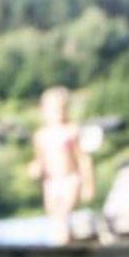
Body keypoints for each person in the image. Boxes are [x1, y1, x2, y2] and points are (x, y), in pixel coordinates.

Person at [28, 86, 95, 241]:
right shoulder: (41, 136)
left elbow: (83, 159)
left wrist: (88, 185)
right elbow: (39, 160)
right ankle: (67, 243)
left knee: (63, 217)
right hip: (51, 182)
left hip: (70, 179)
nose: (57, 113)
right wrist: (35, 168)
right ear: (44, 110)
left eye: (60, 108)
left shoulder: (71, 131)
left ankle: (62, 245)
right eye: (53, 109)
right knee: (54, 217)